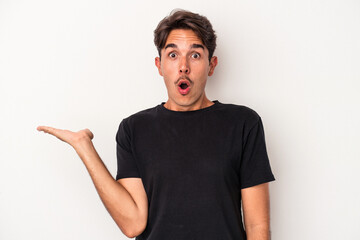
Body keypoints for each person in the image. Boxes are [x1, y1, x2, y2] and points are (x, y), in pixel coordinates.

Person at [37, 9, 275, 240]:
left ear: (211, 65)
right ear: (159, 65)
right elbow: (133, 224)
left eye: (195, 55)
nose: (183, 66)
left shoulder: (244, 124)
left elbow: (257, 226)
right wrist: (84, 147)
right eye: (172, 55)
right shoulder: (133, 129)